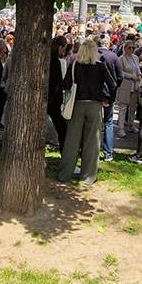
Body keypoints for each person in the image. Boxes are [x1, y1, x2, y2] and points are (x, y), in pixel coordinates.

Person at [57, 38, 116, 184]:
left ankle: (65, 174)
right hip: (95, 104)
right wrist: (107, 99)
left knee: (72, 141)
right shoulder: (100, 67)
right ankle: (88, 176)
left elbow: (65, 84)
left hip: (77, 104)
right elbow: (113, 84)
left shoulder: (74, 65)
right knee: (92, 142)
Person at [46, 35, 69, 151]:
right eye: (64, 49)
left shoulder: (49, 59)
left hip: (50, 99)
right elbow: (57, 83)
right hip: (52, 100)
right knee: (62, 128)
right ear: (60, 47)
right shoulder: (55, 62)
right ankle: (64, 155)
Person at [115, 39, 141, 138]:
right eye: (129, 47)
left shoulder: (135, 57)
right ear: (125, 48)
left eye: (133, 48)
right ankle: (121, 128)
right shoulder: (121, 59)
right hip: (125, 85)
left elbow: (137, 68)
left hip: (134, 86)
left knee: (133, 107)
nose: (131, 49)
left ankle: (131, 125)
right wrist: (131, 76)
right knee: (123, 107)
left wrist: (138, 74)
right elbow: (120, 72)